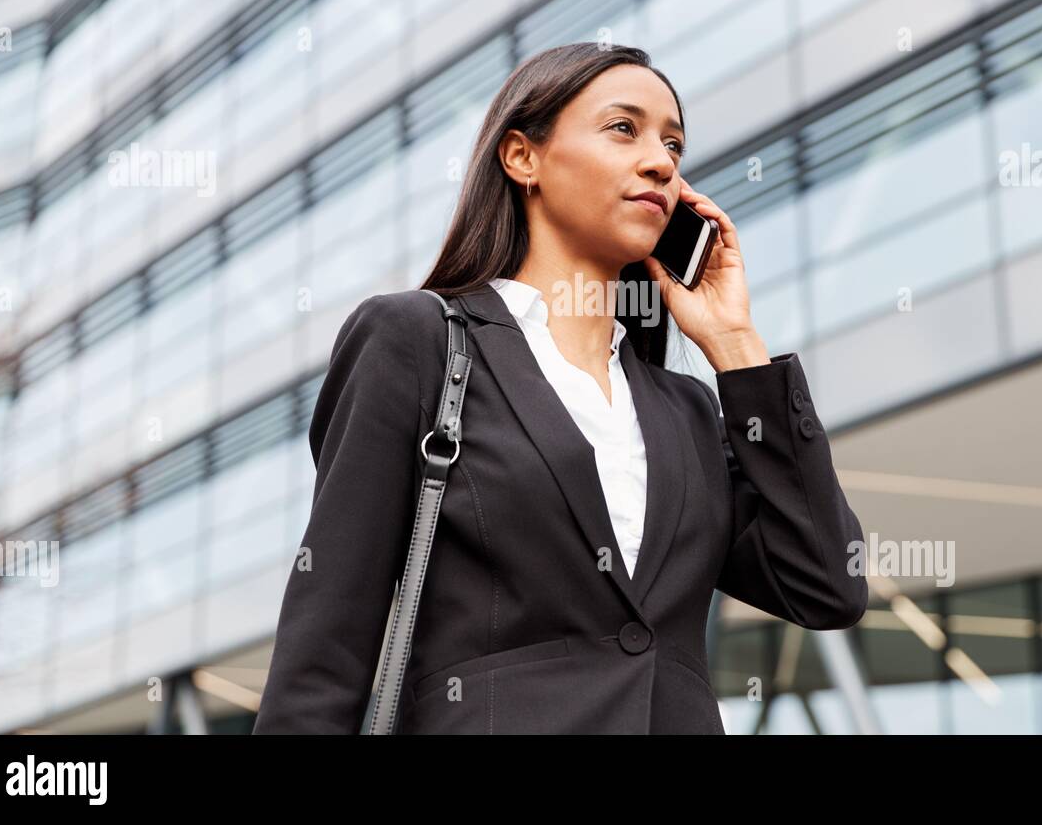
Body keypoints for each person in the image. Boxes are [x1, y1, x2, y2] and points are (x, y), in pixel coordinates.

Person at [252, 42, 867, 734]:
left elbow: (826, 586)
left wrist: (734, 347)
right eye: (623, 128)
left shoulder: (687, 410)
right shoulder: (417, 340)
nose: (661, 161)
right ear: (523, 158)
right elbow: (327, 639)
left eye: (673, 143)